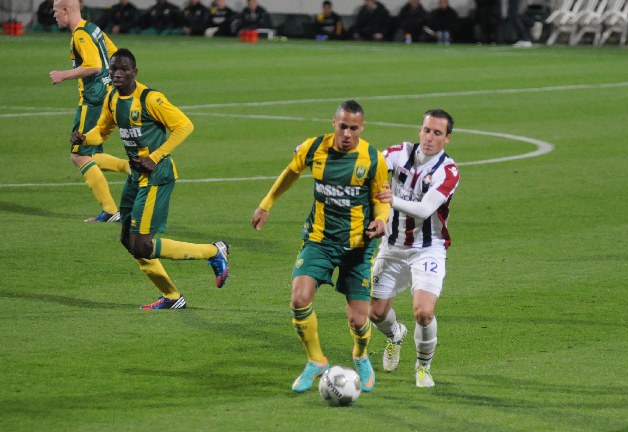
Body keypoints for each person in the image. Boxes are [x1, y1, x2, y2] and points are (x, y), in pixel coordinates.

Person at [70, 48, 230, 310]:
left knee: (142, 244)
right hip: (136, 176)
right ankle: (171, 297)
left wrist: (155, 157)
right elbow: (102, 131)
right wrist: (85, 138)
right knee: (127, 240)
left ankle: (213, 251)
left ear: (135, 72)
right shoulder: (112, 98)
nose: (118, 74)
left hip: (157, 176)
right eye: (114, 69)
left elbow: (185, 126)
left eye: (123, 69)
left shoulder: (150, 99)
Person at [250, 100, 389, 394]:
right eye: (343, 126)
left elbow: (381, 197)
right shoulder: (314, 148)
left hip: (357, 247)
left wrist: (381, 220)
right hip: (319, 240)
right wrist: (266, 204)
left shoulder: (373, 160)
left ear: (361, 128)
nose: (347, 133)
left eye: (354, 128)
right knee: (299, 298)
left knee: (358, 319)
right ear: (334, 123)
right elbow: (290, 172)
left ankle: (361, 355)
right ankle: (316, 360)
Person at [370, 109, 460, 388]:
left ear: (447, 138)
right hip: (393, 245)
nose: (429, 137)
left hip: (428, 248)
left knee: (423, 311)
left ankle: (423, 367)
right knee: (375, 313)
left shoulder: (448, 171)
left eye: (436, 133)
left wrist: (390, 200)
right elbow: (369, 167)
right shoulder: (398, 153)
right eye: (425, 130)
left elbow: (424, 209)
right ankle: (395, 335)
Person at [49, 0, 130, 223]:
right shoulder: (93, 28)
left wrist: (63, 75)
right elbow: (116, 54)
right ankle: (133, 168)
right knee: (92, 153)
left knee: (79, 155)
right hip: (108, 96)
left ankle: (111, 210)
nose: (54, 15)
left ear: (66, 10)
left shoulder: (80, 35)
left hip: (93, 101)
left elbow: (94, 65)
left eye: (56, 11)